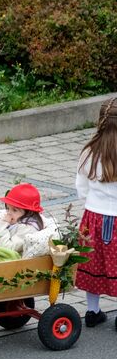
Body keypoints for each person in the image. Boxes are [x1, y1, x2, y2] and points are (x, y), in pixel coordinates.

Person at [75, 97, 117, 328]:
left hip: (93, 217)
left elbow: (81, 189)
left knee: (92, 262)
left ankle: (93, 311)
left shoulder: (89, 152)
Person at [0, 183, 45, 254]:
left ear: (29, 212)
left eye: (14, 210)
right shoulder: (20, 222)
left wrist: (3, 225)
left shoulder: (27, 228)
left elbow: (8, 248)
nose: (9, 213)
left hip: (16, 262)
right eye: (8, 208)